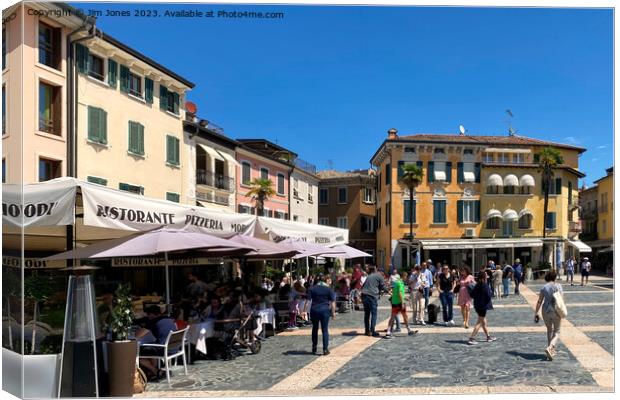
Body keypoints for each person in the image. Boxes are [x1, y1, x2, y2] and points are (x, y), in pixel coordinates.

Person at [534, 271, 564, 360]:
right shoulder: (559, 286)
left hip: (545, 310)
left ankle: (550, 350)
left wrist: (536, 313)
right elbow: (561, 299)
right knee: (557, 331)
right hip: (556, 310)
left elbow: (539, 301)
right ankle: (551, 347)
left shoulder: (544, 287)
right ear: (555, 277)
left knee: (549, 330)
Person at [308, 274, 336, 355]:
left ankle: (314, 347)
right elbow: (333, 302)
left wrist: (303, 311)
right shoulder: (328, 289)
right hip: (324, 310)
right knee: (325, 330)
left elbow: (308, 301)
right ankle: (325, 349)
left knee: (315, 329)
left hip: (314, 310)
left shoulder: (312, 288)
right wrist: (333, 313)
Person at [468, 271, 497, 345]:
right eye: (486, 276)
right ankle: (471, 338)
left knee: (483, 322)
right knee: (480, 322)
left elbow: (472, 295)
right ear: (484, 277)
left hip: (477, 305)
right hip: (483, 306)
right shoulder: (485, 285)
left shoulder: (477, 285)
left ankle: (488, 337)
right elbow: (489, 295)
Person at [385, 272, 417, 338]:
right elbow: (399, 293)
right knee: (403, 316)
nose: (407, 278)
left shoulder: (398, 282)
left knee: (396, 317)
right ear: (404, 276)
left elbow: (397, 293)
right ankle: (408, 330)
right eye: (406, 276)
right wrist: (402, 302)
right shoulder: (400, 283)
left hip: (395, 302)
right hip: (399, 303)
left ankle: (389, 332)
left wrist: (405, 298)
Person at [361, 265, 386, 337]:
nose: (383, 275)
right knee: (374, 314)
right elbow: (383, 287)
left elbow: (364, 286)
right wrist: (389, 291)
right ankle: (372, 331)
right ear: (381, 272)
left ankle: (367, 330)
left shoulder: (370, 276)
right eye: (383, 273)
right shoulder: (379, 276)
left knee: (367, 314)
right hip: (372, 296)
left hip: (364, 295)